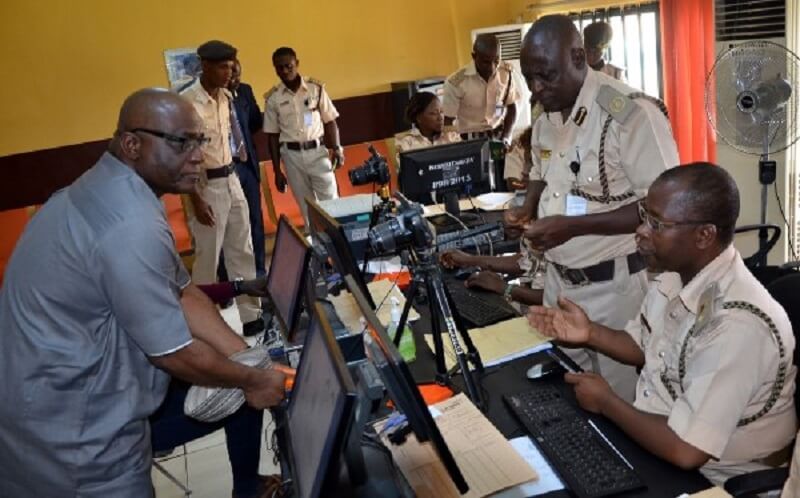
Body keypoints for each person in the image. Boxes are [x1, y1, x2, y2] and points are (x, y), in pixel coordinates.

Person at [0, 88, 286, 497]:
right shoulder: (128, 222)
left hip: (57, 401)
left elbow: (183, 292)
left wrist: (247, 359)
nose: (198, 155)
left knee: (241, 385)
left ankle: (248, 489)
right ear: (132, 144)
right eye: (181, 142)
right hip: (73, 435)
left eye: (200, 141)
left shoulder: (109, 190)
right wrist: (252, 379)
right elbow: (172, 351)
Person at [528, 164, 797, 485]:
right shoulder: (674, 274)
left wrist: (606, 402)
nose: (640, 231)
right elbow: (646, 348)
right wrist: (590, 333)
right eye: (644, 216)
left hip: (715, 479)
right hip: (662, 441)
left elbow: (688, 450)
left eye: (657, 224)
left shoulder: (738, 325)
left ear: (704, 235)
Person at [507, 15, 679, 400]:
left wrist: (572, 227)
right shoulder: (548, 111)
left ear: (579, 57)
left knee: (623, 404)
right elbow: (541, 167)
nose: (536, 88)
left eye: (546, 76)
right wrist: (528, 205)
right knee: (569, 394)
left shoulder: (629, 114)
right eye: (529, 77)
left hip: (617, 291)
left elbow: (664, 210)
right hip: (559, 283)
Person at [180, 40, 264, 337]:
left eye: (231, 66)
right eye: (222, 67)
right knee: (208, 258)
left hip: (232, 178)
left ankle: (251, 315)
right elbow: (181, 156)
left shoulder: (227, 97)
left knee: (243, 249)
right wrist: (196, 200)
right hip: (205, 187)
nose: (229, 72)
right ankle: (202, 324)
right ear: (204, 66)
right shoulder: (187, 103)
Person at [264, 46, 344, 224]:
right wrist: (277, 171)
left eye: (288, 66)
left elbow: (330, 120)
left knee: (332, 202)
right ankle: (317, 246)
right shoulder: (273, 98)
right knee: (306, 206)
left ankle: (340, 244)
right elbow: (272, 137)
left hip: (318, 152)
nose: (284, 71)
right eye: (279, 67)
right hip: (292, 157)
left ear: (297, 64)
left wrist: (337, 148)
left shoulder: (315, 89)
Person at [442, 34, 519, 146]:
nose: (492, 67)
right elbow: (448, 121)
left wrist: (506, 137)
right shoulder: (456, 82)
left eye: (496, 60)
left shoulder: (506, 74)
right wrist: (455, 147)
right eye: (486, 62)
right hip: (467, 141)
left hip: (498, 137)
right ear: (474, 56)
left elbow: (512, 107)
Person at [228, 59, 267, 277]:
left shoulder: (244, 91)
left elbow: (254, 122)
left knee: (255, 219)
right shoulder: (211, 98)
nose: (235, 79)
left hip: (247, 164)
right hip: (225, 168)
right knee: (230, 224)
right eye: (231, 75)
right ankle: (229, 276)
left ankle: (259, 270)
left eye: (238, 74)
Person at [395, 91, 461, 160]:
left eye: (441, 111)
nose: (440, 117)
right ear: (419, 118)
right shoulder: (406, 143)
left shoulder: (452, 137)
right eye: (434, 113)